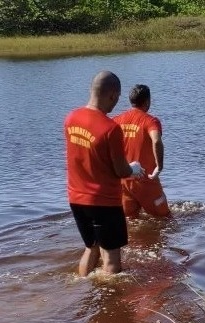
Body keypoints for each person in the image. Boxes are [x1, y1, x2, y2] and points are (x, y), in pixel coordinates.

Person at [65, 71, 144, 277]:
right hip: (104, 203)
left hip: (76, 199)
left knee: (91, 248)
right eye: (116, 99)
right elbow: (120, 170)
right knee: (111, 262)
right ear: (112, 95)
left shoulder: (71, 119)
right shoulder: (110, 129)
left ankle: (82, 288)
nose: (115, 104)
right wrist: (133, 169)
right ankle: (107, 305)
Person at [113, 84, 170, 218]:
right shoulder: (150, 121)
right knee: (165, 219)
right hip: (146, 180)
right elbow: (156, 140)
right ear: (147, 101)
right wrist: (159, 167)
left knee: (130, 220)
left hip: (124, 180)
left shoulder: (116, 120)